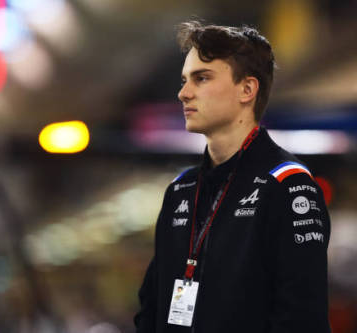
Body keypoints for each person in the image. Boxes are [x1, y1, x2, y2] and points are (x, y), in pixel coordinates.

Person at [134, 20, 331, 333]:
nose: (183, 93)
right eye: (185, 80)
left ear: (247, 89)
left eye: (201, 78)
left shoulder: (288, 185)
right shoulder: (180, 191)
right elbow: (150, 309)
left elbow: (302, 318)